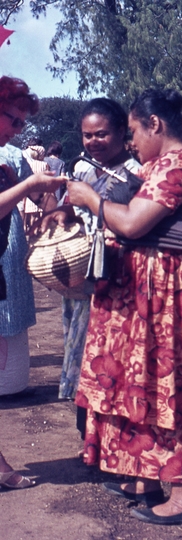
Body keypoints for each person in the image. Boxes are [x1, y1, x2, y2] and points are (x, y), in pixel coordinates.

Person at [67, 88, 182, 525]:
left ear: (156, 125)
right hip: (144, 290)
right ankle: (143, 474)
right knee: (137, 383)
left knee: (167, 384)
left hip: (166, 294)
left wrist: (92, 200)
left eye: (132, 132)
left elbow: (132, 222)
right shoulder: (160, 164)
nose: (130, 143)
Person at [43, 99, 141, 419]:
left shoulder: (138, 173)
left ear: (122, 132)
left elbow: (136, 222)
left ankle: (112, 422)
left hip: (121, 273)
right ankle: (87, 423)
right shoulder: (82, 168)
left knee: (115, 352)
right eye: (87, 135)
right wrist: (59, 215)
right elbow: (72, 206)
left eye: (101, 134)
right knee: (83, 345)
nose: (93, 142)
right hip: (82, 271)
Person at [0, 76, 65, 487]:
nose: (18, 131)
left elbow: (38, 198)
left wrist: (55, 207)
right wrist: (28, 185)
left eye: (22, 124)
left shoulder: (6, 157)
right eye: (14, 121)